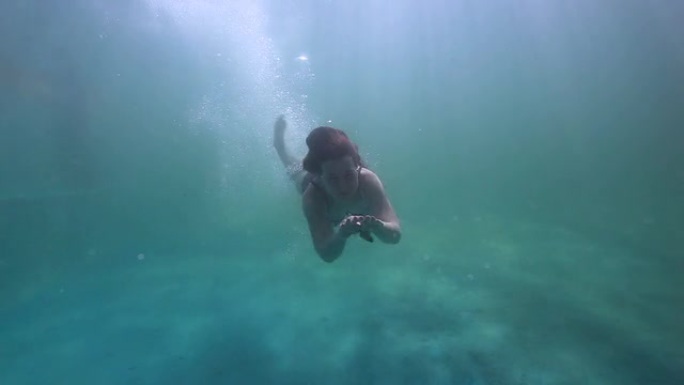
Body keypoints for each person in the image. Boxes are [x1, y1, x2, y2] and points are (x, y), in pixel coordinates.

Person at [273, 115, 401, 263]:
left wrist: (379, 226)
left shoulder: (368, 181)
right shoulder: (312, 197)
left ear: (357, 167)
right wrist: (341, 234)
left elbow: (395, 236)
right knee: (294, 169)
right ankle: (279, 146)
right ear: (320, 177)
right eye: (333, 179)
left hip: (336, 170)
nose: (343, 187)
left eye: (349, 176)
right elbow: (326, 255)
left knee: (333, 168)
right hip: (309, 179)